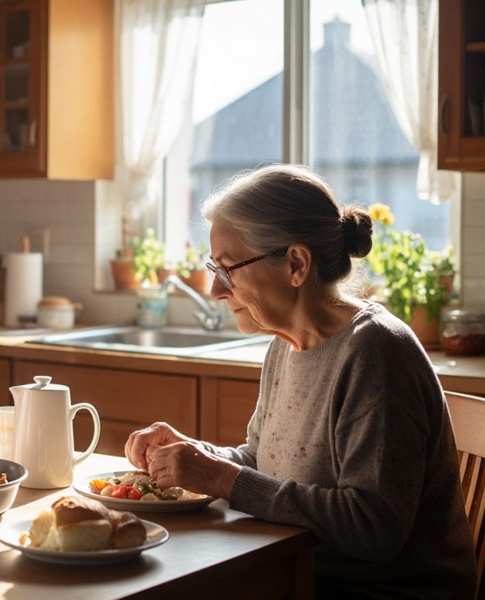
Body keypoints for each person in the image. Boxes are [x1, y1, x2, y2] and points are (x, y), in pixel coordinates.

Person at [125, 164, 477, 598]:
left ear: (296, 263)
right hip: (298, 573)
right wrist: (196, 457)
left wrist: (221, 478)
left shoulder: (376, 352)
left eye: (229, 268)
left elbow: (374, 528)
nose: (217, 290)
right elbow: (262, 462)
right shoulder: (285, 343)